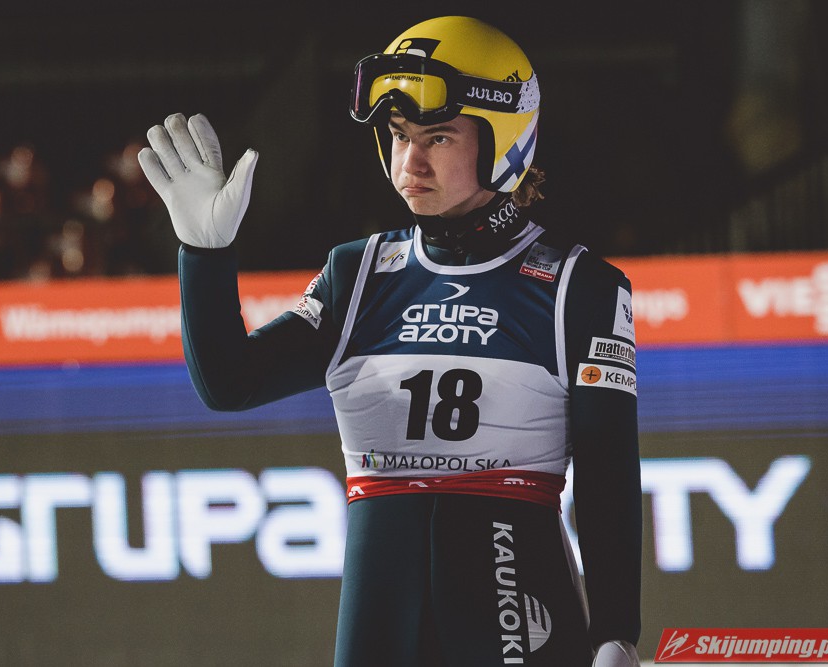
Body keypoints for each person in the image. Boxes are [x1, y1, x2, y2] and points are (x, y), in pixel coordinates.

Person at [138, 15, 642, 667]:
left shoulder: (580, 287)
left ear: (507, 140)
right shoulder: (357, 274)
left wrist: (616, 631)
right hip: (380, 613)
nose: (411, 161)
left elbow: (608, 478)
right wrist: (204, 254)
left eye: (438, 136)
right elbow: (229, 383)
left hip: (517, 604)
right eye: (400, 135)